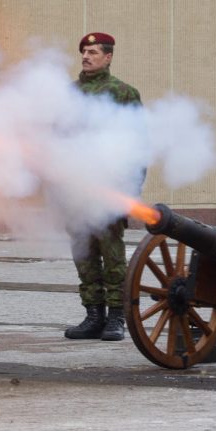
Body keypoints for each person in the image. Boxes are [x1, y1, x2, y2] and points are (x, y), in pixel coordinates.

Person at [64, 32, 141, 342]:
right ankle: (93, 315)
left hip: (110, 187)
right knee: (83, 253)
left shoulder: (123, 93)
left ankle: (116, 317)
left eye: (93, 51)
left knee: (112, 255)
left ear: (108, 57)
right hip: (76, 188)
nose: (86, 56)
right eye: (84, 50)